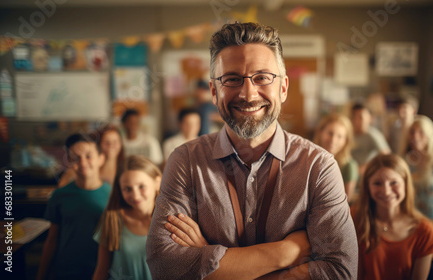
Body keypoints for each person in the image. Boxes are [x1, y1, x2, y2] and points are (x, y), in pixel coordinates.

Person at [146, 22, 358, 279]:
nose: (248, 94)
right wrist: (284, 253)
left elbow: (340, 272)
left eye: (262, 78)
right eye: (232, 79)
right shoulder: (186, 160)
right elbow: (163, 265)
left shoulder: (319, 167)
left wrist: (210, 262)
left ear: (283, 88)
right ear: (214, 91)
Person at [37, 133, 111, 280]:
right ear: (69, 161)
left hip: (103, 271)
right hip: (66, 271)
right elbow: (52, 240)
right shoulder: (60, 195)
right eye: (75, 158)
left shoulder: (114, 195)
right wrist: (41, 275)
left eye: (88, 156)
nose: (82, 162)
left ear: (101, 159)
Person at [352, 154, 433, 280]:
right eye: (377, 183)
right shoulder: (353, 219)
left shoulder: (424, 231)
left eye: (393, 183)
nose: (386, 191)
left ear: (405, 184)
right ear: (367, 187)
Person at [93, 155, 161, 280]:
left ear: (157, 183)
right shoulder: (112, 219)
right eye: (127, 189)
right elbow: (101, 271)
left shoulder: (172, 220)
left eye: (141, 186)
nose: (135, 196)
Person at [58, 125, 123, 187]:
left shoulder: (124, 170)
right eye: (106, 142)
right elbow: (62, 191)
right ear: (98, 145)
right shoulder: (82, 169)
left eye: (115, 142)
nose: (111, 146)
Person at [314, 113, 359, 203]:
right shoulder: (310, 159)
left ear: (346, 141)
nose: (333, 140)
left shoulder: (349, 166)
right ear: (320, 132)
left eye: (340, 136)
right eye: (330, 133)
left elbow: (345, 202)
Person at [351, 103, 391, 175]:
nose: (357, 120)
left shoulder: (373, 135)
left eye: (360, 117)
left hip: (365, 174)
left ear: (370, 118)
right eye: (354, 117)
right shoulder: (349, 134)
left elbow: (387, 157)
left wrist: (367, 167)